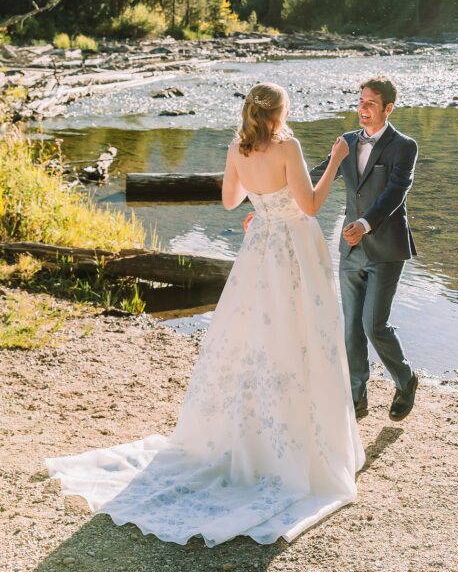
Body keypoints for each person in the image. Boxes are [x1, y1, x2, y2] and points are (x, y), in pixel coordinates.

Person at [44, 83, 364, 546]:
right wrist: (335, 160)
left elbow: (231, 200)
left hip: (260, 249)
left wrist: (261, 205)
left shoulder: (239, 146)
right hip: (294, 251)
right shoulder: (288, 146)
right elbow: (311, 205)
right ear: (279, 112)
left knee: (252, 340)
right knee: (302, 338)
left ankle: (251, 438)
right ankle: (298, 447)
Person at [310, 75, 419, 422]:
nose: (363, 109)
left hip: (386, 248)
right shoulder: (346, 142)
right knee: (351, 328)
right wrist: (270, 195)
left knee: (374, 325)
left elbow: (395, 193)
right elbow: (315, 175)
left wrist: (366, 224)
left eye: (370, 104)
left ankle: (405, 379)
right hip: (349, 249)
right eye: (360, 102)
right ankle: (357, 397)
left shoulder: (405, 146)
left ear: (388, 108)